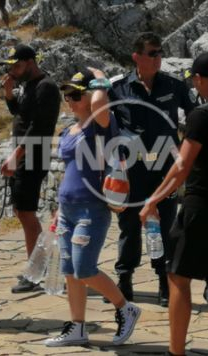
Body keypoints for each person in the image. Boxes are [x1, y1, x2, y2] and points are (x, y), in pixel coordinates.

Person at [139, 51, 208, 356]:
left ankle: (176, 352)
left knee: (178, 277)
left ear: (198, 79)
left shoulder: (202, 115)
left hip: (202, 206)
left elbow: (182, 166)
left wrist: (153, 199)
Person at [44, 68, 141, 347]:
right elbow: (70, 171)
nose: (70, 100)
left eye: (76, 95)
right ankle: (77, 327)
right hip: (68, 208)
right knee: (70, 271)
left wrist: (98, 75)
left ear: (90, 95)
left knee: (85, 269)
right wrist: (58, 210)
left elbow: (100, 102)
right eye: (67, 95)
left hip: (91, 208)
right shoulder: (67, 130)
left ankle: (126, 308)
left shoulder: (102, 123)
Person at [107, 32, 196, 306]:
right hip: (132, 168)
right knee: (129, 224)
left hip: (164, 169)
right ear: (137, 56)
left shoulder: (173, 85)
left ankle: (164, 283)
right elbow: (104, 122)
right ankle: (125, 280)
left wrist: (185, 150)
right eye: (153, 53)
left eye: (160, 53)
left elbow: (193, 115)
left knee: (166, 224)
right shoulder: (118, 87)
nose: (159, 58)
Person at [0, 44, 61, 293]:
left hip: (33, 157)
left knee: (26, 212)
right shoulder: (29, 85)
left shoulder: (46, 87)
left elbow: (39, 128)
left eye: (17, 65)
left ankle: (36, 272)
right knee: (22, 210)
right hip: (25, 156)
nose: (13, 70)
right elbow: (21, 115)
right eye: (11, 66)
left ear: (30, 61)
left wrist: (17, 154)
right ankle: (36, 268)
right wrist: (9, 95)